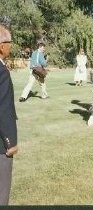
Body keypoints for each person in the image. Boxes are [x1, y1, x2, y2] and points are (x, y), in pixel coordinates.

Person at [0, 24, 18, 205]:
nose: (11, 46)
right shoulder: (1, 72)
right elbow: (3, 109)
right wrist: (10, 142)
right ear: (1, 45)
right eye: (9, 42)